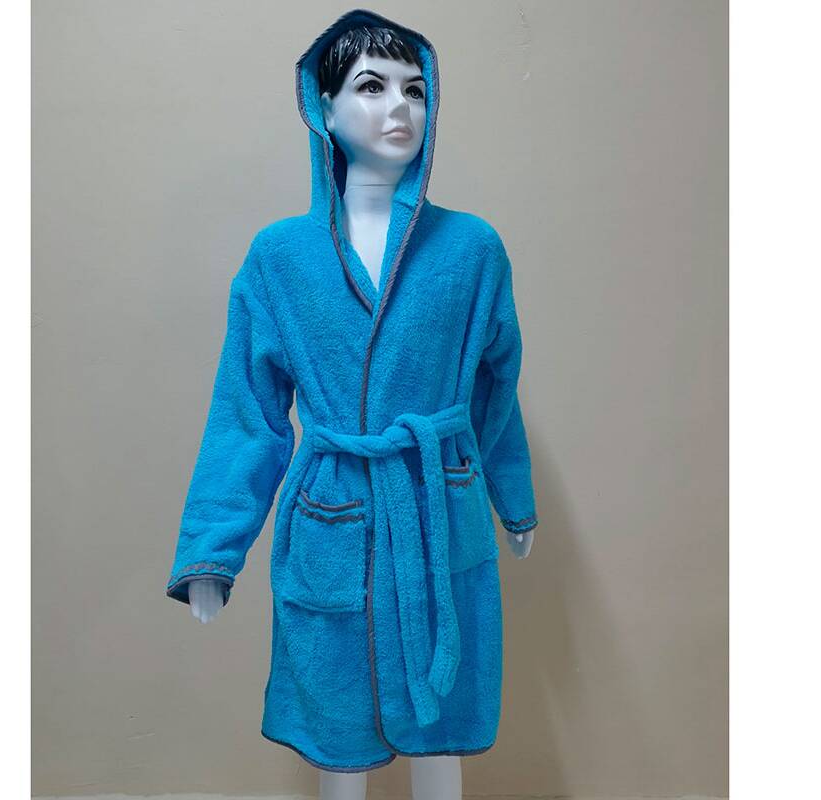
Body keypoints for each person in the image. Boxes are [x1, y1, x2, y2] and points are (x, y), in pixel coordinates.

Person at [165, 9, 538, 794]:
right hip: (333, 509)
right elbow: (248, 412)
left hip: (438, 503)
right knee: (339, 729)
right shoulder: (279, 257)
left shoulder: (472, 247)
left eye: (415, 89)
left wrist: (512, 501)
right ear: (324, 110)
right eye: (371, 86)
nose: (399, 106)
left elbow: (494, 392)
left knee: (440, 723)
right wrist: (213, 551)